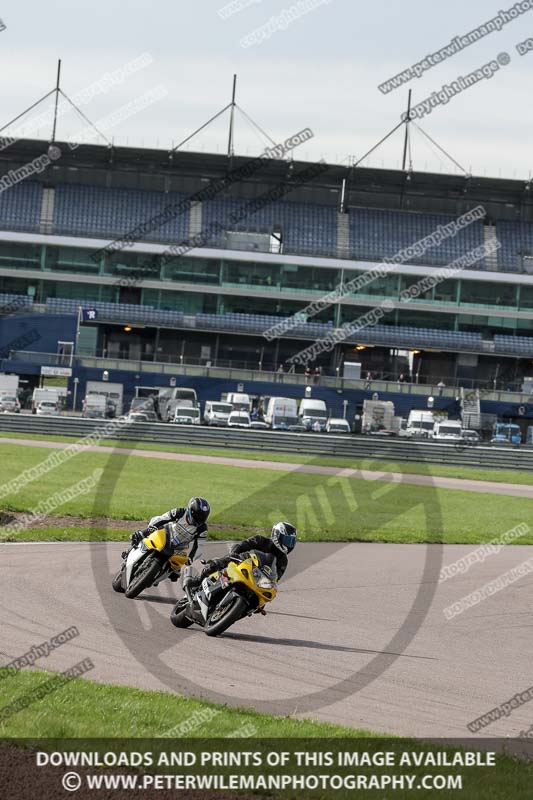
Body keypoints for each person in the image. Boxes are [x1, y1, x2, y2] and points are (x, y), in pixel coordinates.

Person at [186, 522, 297, 591]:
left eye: (292, 541)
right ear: (277, 535)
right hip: (239, 564)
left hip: (256, 581)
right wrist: (234, 553)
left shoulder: (283, 560)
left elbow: (275, 579)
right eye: (287, 540)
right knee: (215, 565)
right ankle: (198, 581)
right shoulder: (260, 540)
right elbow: (241, 545)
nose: (289, 544)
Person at [129, 497, 211, 579]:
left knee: (176, 571)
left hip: (180, 547)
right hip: (166, 534)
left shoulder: (202, 529)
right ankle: (134, 545)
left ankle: (164, 574)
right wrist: (152, 526)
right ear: (190, 511)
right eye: (197, 516)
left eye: (202, 518)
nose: (199, 520)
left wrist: (191, 558)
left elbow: (199, 546)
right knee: (145, 534)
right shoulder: (180, 512)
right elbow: (163, 518)